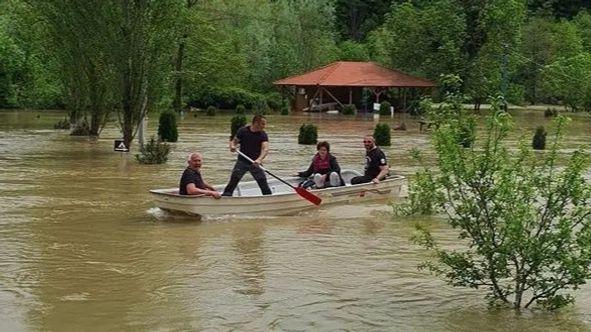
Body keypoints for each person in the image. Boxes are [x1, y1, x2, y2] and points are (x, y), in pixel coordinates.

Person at [222, 114, 272, 196]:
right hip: (242, 161)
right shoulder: (243, 131)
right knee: (233, 181)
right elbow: (234, 141)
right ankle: (226, 196)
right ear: (256, 123)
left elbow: (265, 149)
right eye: (263, 124)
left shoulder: (263, 135)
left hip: (255, 163)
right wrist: (232, 146)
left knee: (263, 182)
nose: (264, 126)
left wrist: (259, 159)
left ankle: (268, 198)